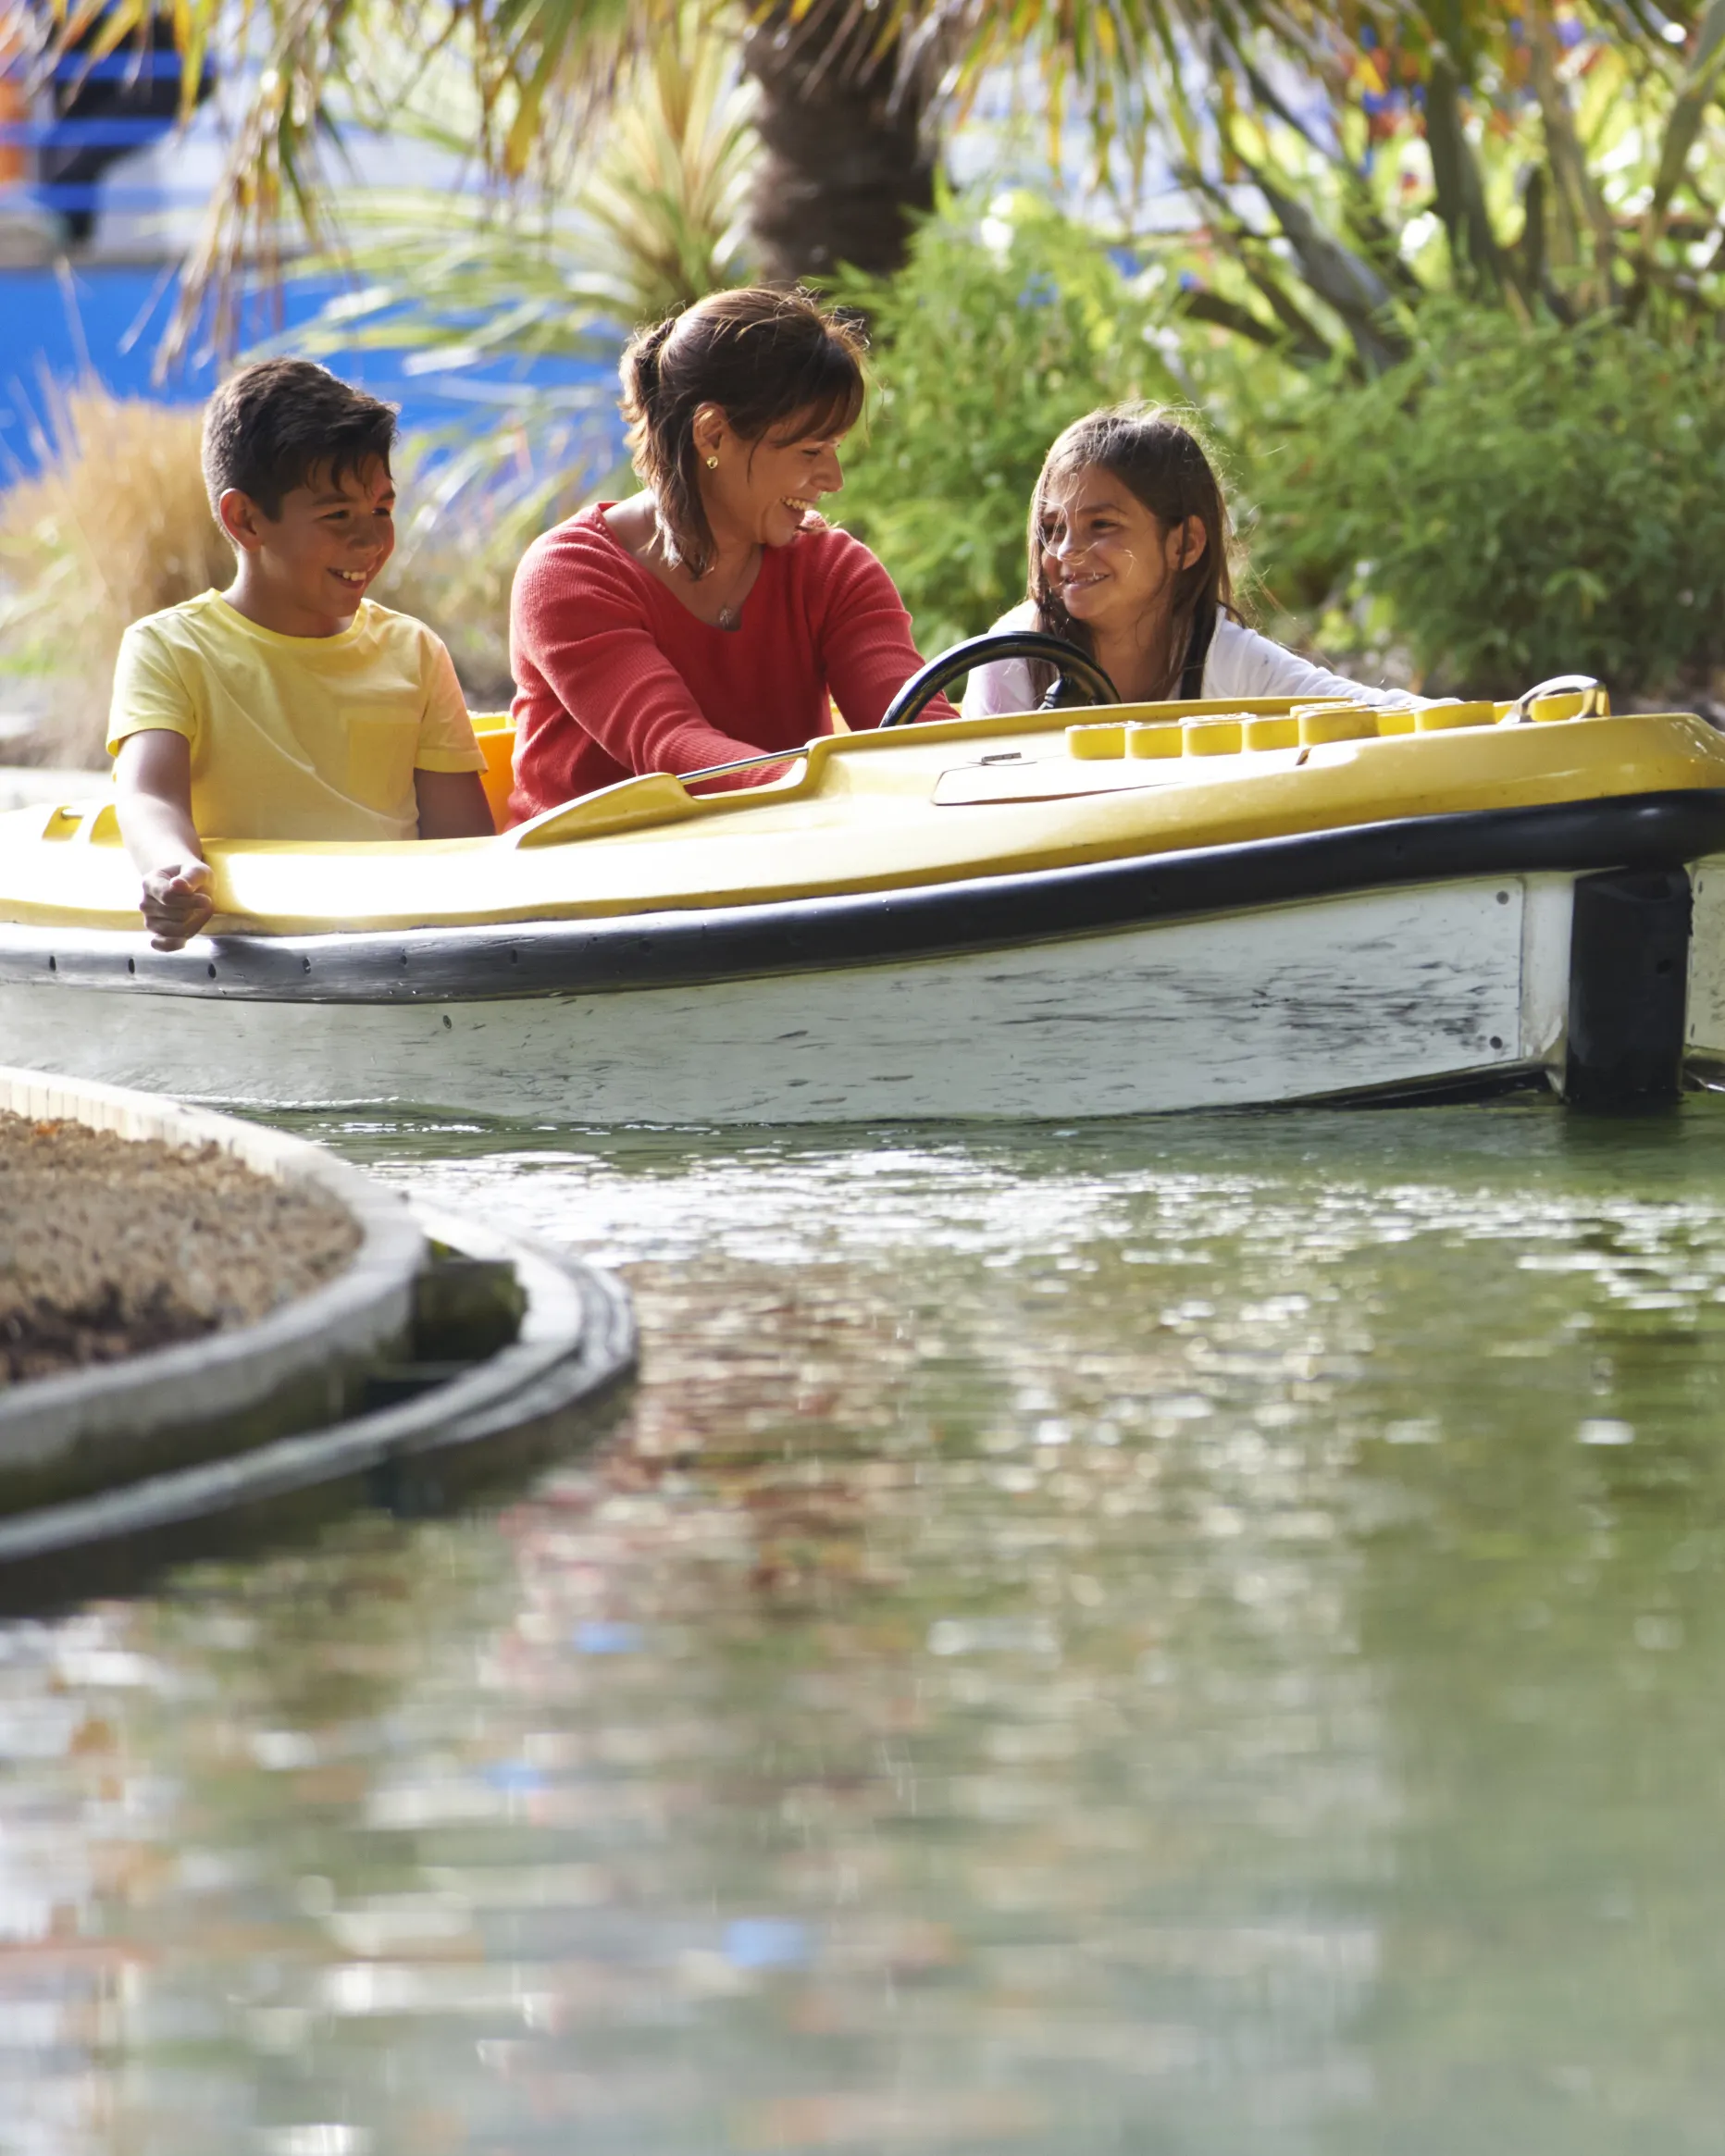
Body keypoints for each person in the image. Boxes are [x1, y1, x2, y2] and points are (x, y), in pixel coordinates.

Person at [508, 287, 954, 823]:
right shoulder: (569, 574)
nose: (834, 481)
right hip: (586, 892)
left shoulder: (834, 570)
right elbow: (671, 748)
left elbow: (914, 726)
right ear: (713, 435)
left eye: (834, 450)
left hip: (778, 876)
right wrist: (843, 796)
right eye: (811, 451)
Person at [110, 358, 493, 950]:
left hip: (394, 951)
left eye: (382, 510)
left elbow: (465, 844)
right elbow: (148, 794)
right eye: (337, 515)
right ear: (245, 519)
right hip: (251, 944)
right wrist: (170, 870)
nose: (369, 540)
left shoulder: (415, 651)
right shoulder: (168, 647)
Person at [962, 404, 1420, 719]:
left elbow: (1371, 713)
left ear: (1185, 545)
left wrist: (1488, 724)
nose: (1064, 551)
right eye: (1054, 528)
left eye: (1101, 525)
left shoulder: (1222, 655)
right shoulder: (1012, 659)